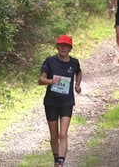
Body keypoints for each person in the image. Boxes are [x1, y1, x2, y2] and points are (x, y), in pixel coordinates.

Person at [38, 35, 82, 167]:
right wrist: (51, 81)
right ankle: (56, 159)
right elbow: (40, 80)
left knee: (63, 134)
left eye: (66, 46)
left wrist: (77, 85)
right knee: (54, 136)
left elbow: (79, 72)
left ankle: (61, 163)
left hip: (66, 103)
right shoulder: (50, 61)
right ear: (57, 47)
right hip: (51, 103)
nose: (63, 48)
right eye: (61, 45)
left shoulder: (74, 62)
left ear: (70, 48)